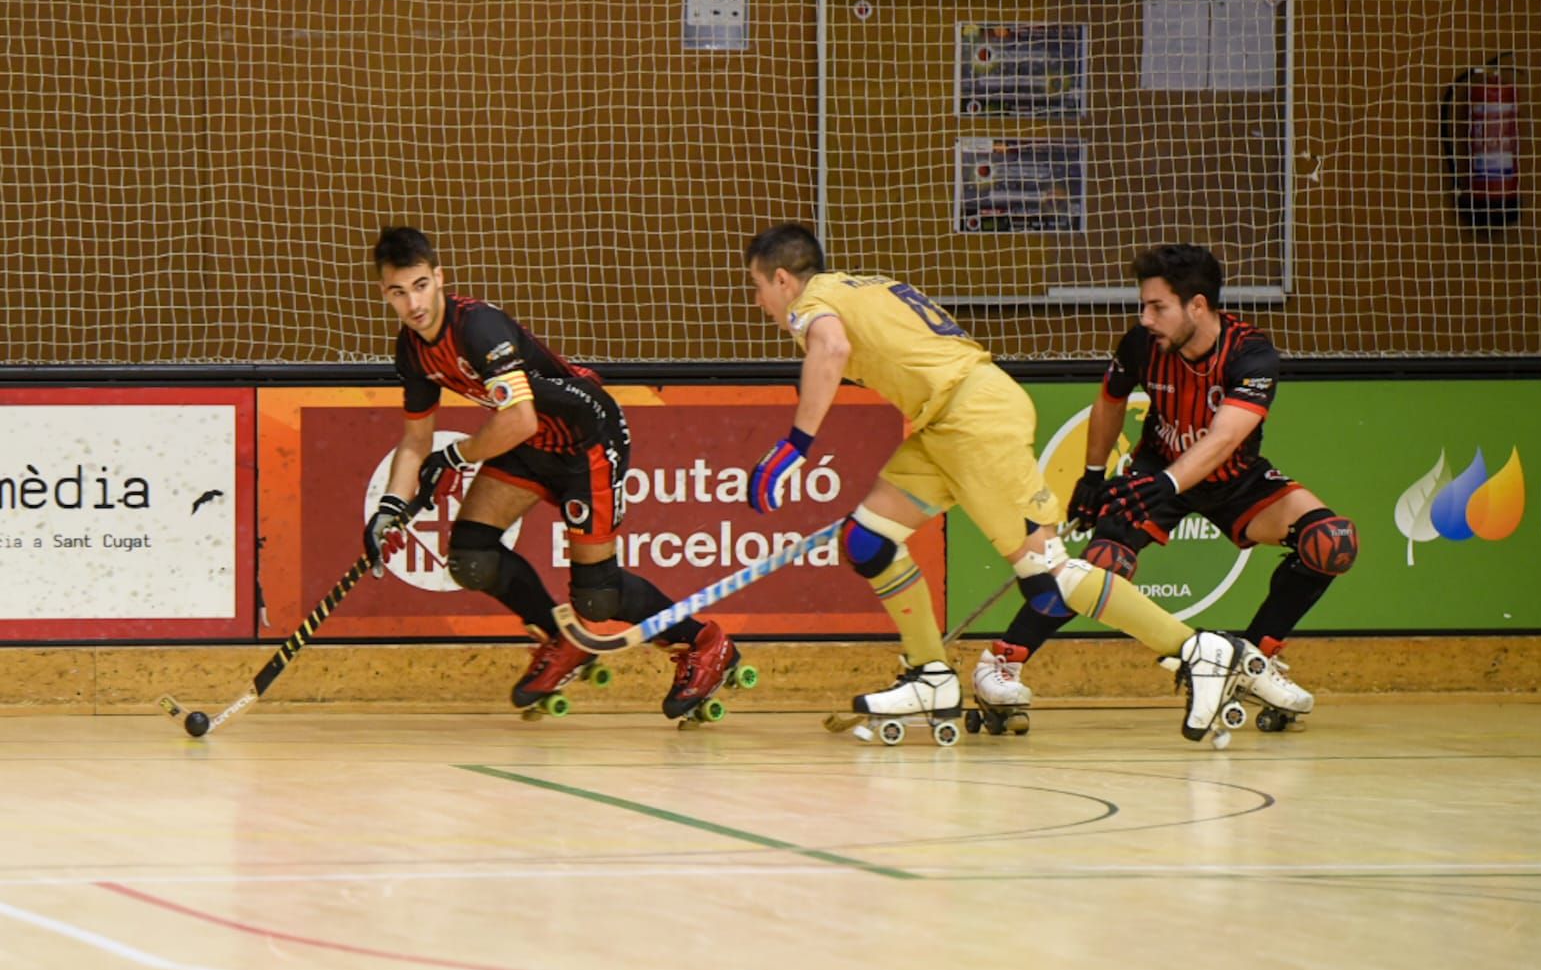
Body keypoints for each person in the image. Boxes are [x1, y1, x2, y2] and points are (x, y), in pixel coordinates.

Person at [744, 222, 1250, 744]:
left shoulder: (813, 304)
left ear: (783, 280)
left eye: (758, 287)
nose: (760, 303)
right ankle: (931, 677)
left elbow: (830, 350)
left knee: (1049, 575)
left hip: (973, 418)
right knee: (867, 540)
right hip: (947, 419)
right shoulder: (859, 284)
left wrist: (795, 447)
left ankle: (1197, 650)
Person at [975, 243, 1358, 727]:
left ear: (1197, 306)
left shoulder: (1252, 355)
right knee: (1103, 561)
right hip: (1157, 467)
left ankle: (1250, 662)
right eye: (1143, 305)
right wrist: (1093, 476)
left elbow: (1224, 438)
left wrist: (1169, 483)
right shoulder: (1141, 345)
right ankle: (1002, 664)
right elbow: (1110, 401)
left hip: (1231, 475)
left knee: (1331, 541)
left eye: (1158, 307)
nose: (1146, 318)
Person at [361, 226, 737, 720]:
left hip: (586, 439)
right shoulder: (411, 350)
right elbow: (415, 441)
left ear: (439, 278)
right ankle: (563, 643)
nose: (413, 304)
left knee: (598, 597)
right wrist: (388, 510)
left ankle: (705, 643)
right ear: (383, 294)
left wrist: (457, 458)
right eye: (398, 292)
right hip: (530, 443)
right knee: (470, 557)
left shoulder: (478, 328)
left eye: (420, 286)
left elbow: (519, 418)